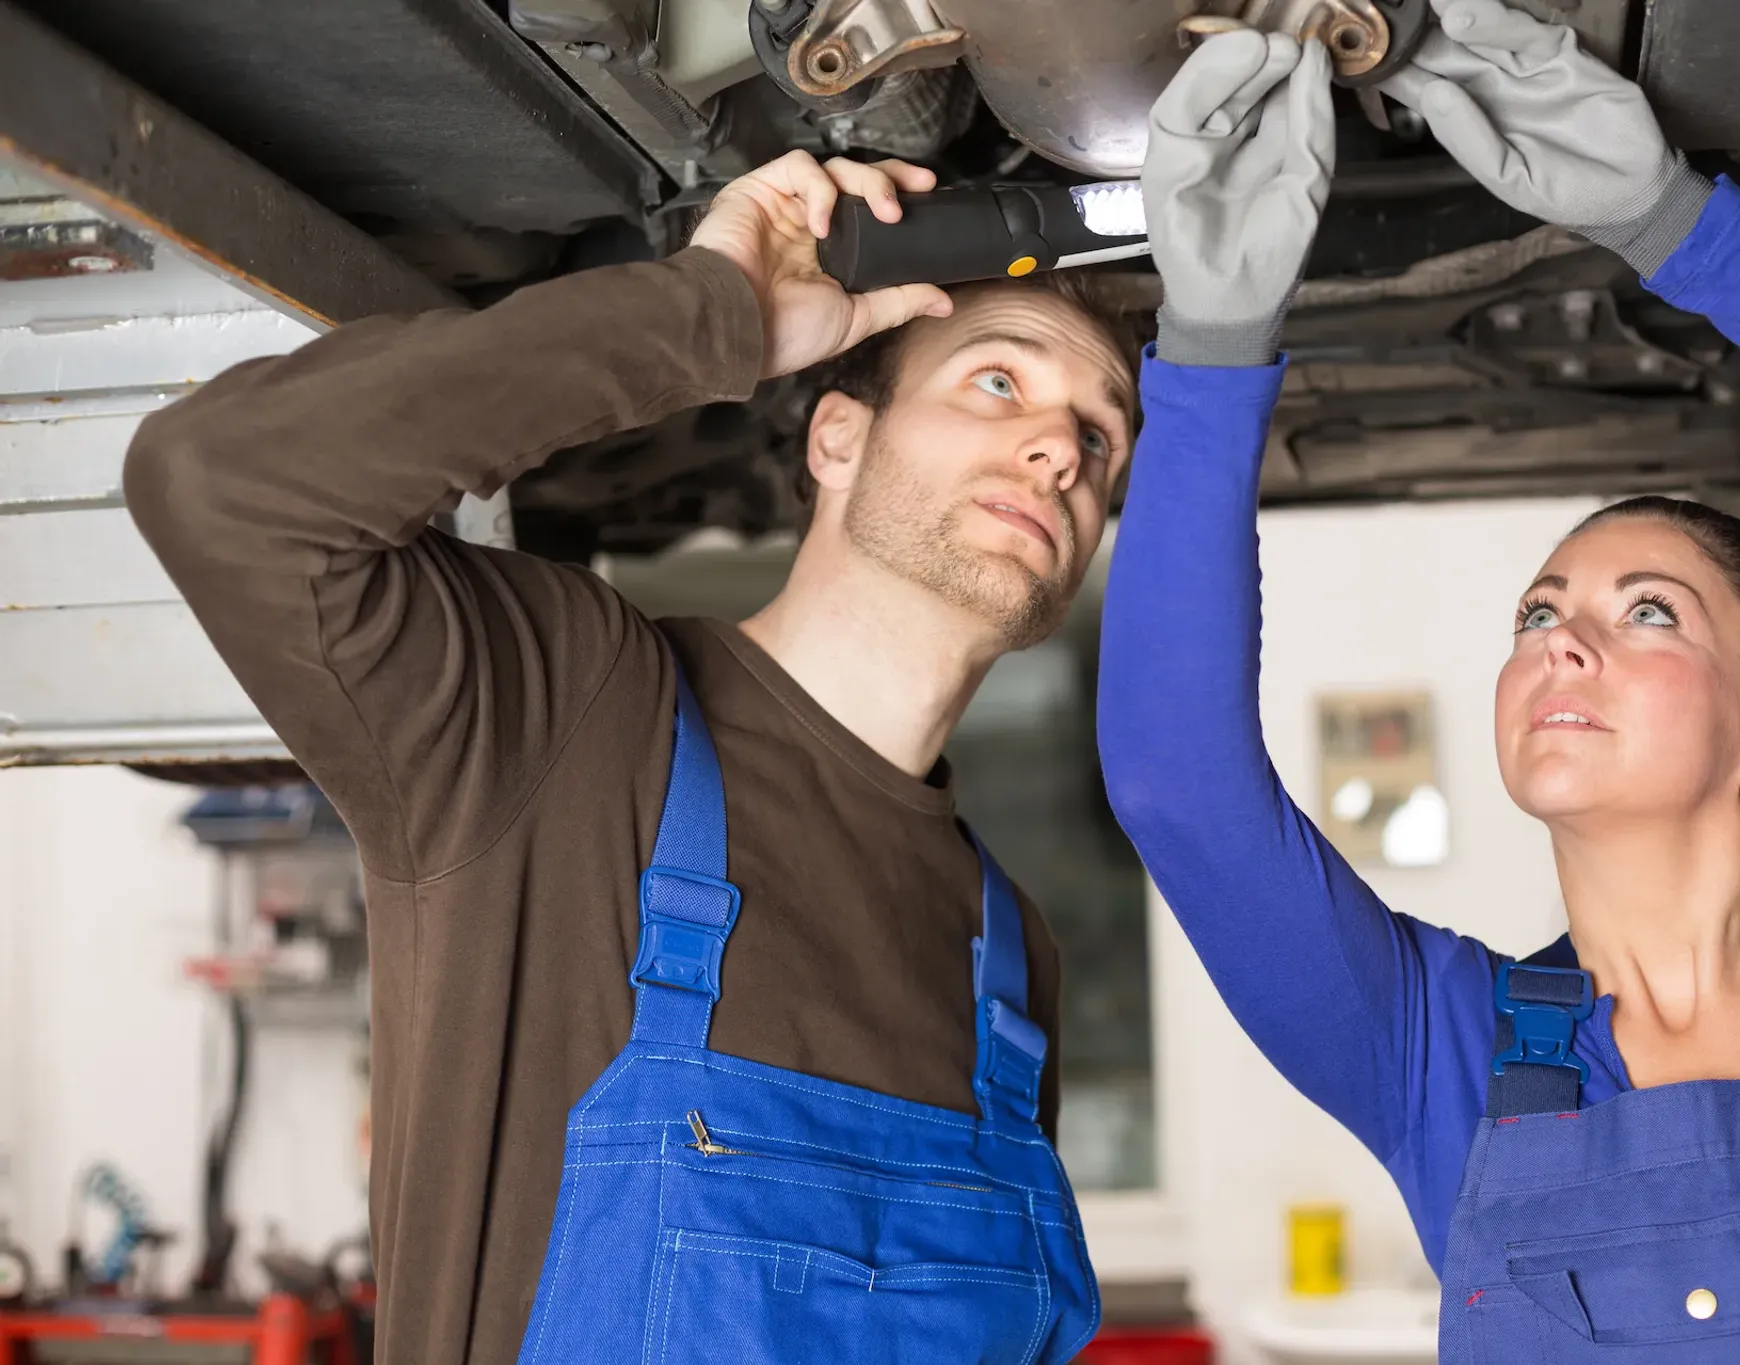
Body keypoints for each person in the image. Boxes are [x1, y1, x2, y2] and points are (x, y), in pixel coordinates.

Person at [1111, 5, 1740, 1361]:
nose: (1561, 639)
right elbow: (1178, 786)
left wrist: (1676, 224)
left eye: (1647, 612)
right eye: (1539, 610)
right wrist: (1209, 343)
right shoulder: (1437, 1052)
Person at [124, 150, 1137, 1364]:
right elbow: (222, 482)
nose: (1058, 450)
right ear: (835, 440)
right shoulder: (574, 714)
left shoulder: (1006, 950)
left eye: (1099, 434)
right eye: (995, 384)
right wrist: (715, 312)